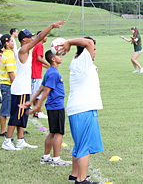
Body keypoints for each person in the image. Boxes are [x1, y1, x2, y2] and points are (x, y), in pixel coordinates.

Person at [2, 21, 64, 151]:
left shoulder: (27, 51)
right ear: (24, 40)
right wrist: (51, 26)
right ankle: (7, 141)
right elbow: (39, 38)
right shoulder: (23, 50)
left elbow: (38, 39)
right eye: (29, 37)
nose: (31, 38)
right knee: (16, 115)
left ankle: (20, 140)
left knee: (23, 115)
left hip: (25, 88)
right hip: (19, 89)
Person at [59, 37, 103, 184]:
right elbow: (89, 43)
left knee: (79, 144)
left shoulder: (78, 60)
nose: (94, 51)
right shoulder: (84, 59)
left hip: (78, 109)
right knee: (85, 146)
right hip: (83, 109)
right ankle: (81, 179)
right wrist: (69, 42)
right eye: (94, 49)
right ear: (85, 50)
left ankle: (74, 174)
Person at [21, 50, 72, 166]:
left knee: (52, 132)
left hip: (52, 106)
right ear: (53, 59)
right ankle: (56, 159)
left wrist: (31, 101)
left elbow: (40, 88)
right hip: (56, 106)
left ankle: (46, 157)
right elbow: (46, 90)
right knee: (59, 132)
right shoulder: (53, 73)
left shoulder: (49, 71)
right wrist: (37, 105)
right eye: (58, 55)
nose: (60, 57)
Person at [0, 34, 16, 137]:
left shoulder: (8, 53)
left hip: (7, 85)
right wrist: (15, 85)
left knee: (9, 108)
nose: (13, 42)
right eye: (11, 41)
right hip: (7, 85)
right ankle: (2, 131)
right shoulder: (8, 56)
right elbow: (11, 74)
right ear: (6, 43)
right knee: (5, 109)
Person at [32, 31, 50, 119]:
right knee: (38, 93)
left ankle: (36, 112)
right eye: (45, 36)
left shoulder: (37, 45)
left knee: (36, 93)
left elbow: (36, 60)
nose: (46, 37)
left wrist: (46, 66)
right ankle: (38, 112)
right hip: (35, 73)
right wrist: (49, 65)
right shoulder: (40, 45)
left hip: (36, 71)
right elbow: (39, 58)